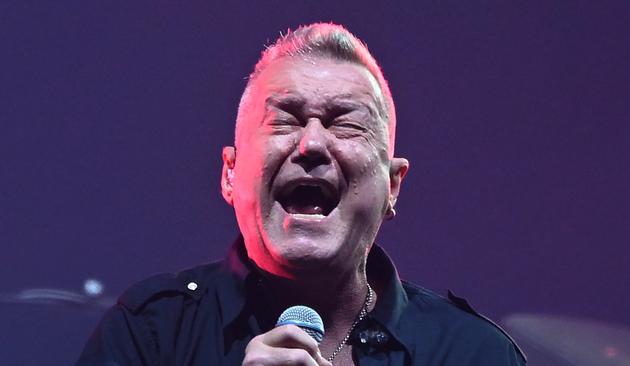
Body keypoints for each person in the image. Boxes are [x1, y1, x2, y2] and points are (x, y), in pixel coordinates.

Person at [76, 23, 526, 366]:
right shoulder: (151, 333)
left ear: (392, 186)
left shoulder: (473, 354)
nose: (311, 144)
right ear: (231, 173)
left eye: (346, 123)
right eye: (285, 119)